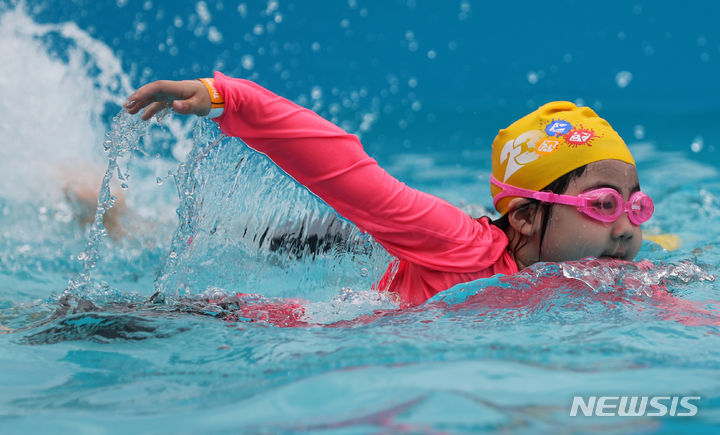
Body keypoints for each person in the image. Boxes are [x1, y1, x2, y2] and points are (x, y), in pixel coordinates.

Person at [124, 73, 654, 307]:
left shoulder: (619, 279)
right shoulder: (457, 243)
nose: (627, 227)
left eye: (635, 205)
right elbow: (348, 172)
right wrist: (230, 99)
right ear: (521, 216)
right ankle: (125, 217)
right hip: (249, 325)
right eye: (603, 205)